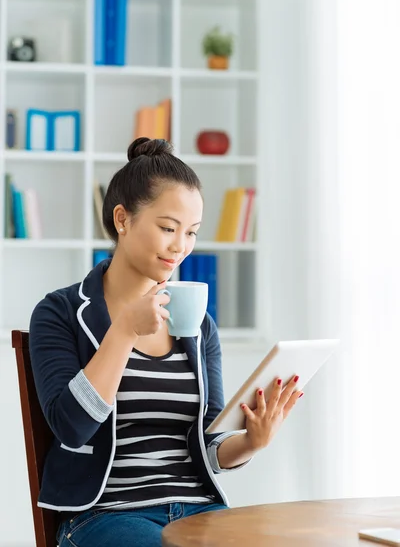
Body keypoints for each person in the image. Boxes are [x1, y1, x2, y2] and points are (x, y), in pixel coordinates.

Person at [29, 137, 303, 547]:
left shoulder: (199, 325)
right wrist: (122, 331)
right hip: (105, 514)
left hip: (197, 508)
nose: (180, 246)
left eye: (190, 232)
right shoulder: (60, 313)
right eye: (167, 228)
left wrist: (250, 441)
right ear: (123, 219)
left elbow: (207, 443)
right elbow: (72, 428)